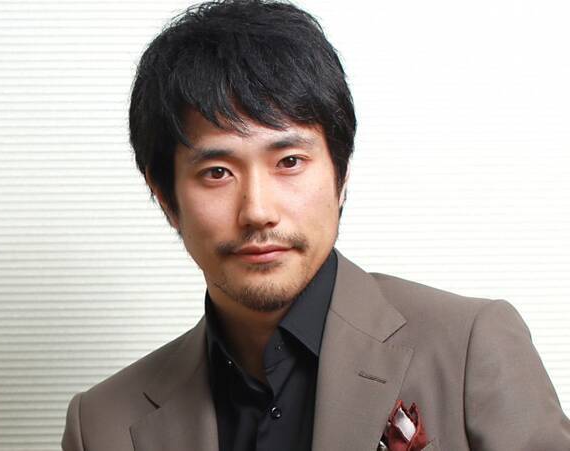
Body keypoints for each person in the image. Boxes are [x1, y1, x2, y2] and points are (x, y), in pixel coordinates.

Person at [62, 1, 570, 450]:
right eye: (217, 172)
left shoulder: (470, 347)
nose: (257, 210)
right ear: (164, 195)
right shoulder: (103, 424)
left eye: (289, 162)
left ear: (341, 175)